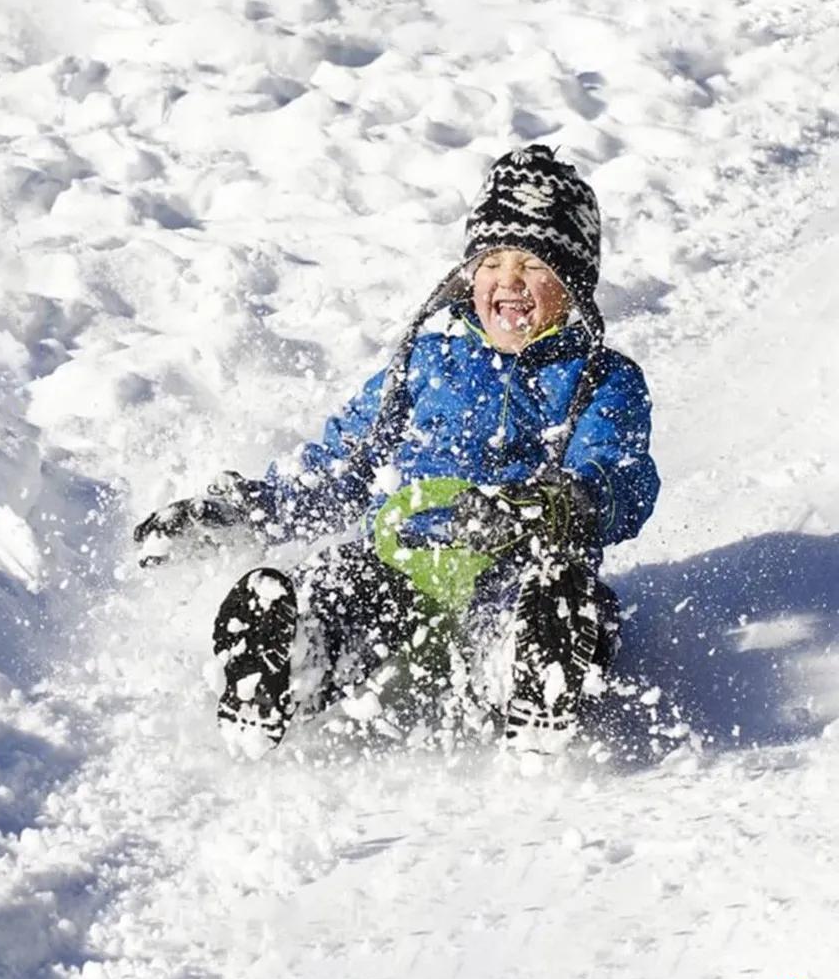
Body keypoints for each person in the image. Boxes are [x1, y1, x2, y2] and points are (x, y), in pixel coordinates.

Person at [134, 145, 659, 758]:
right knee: (335, 584)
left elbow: (625, 473)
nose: (509, 280)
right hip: (397, 560)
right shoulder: (426, 363)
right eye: (492, 261)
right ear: (469, 275)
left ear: (572, 285)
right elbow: (343, 466)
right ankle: (287, 658)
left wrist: (566, 501)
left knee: (566, 596)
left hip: (514, 567)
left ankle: (532, 670)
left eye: (533, 264)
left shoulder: (603, 379)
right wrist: (245, 509)